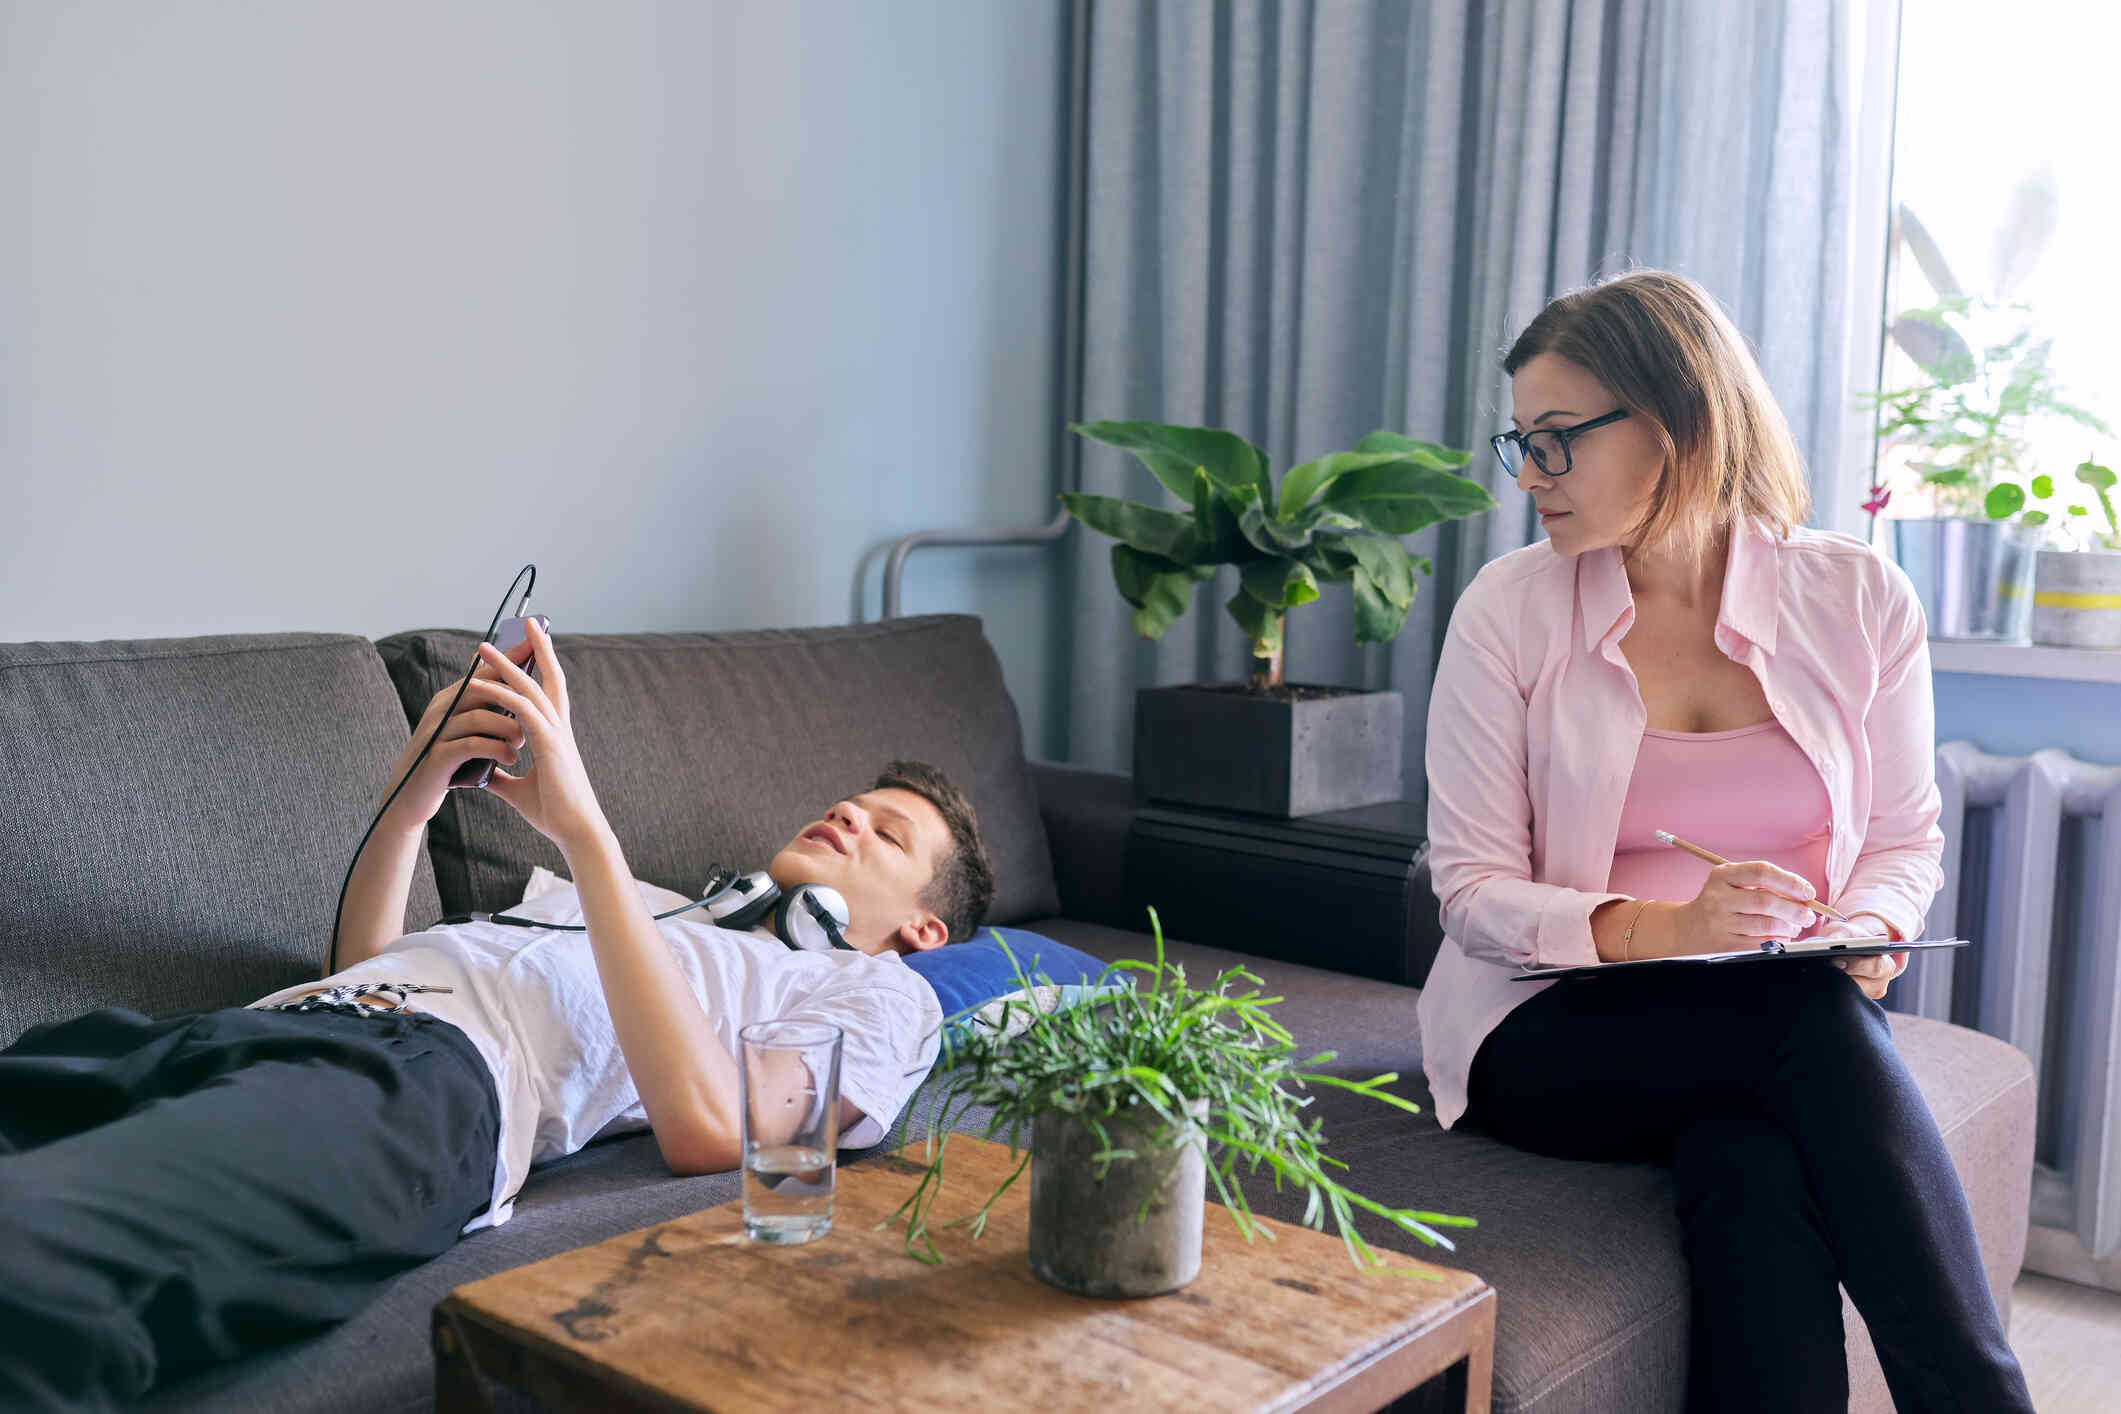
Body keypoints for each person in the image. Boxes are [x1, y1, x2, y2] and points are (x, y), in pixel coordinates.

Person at [0, 617, 995, 1409]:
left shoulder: (872, 994)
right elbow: (364, 966)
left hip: (423, 1088)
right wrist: (413, 788)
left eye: (889, 832)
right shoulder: (650, 903)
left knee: (34, 1261)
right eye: (854, 803)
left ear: (921, 928)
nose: (852, 815)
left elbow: (708, 1129)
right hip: (273, 1023)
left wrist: (582, 828)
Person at [1414, 270, 2036, 1412]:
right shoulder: (1508, 611)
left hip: (1772, 1004)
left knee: (1746, 1160)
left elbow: (1904, 839)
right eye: (1523, 444)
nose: (1532, 478)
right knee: (1801, 1023)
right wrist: (1665, 926)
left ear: (1680, 422)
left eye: (1560, 442)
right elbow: (1471, 891)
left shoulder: (1857, 601)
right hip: (1546, 1022)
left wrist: (1862, 927)